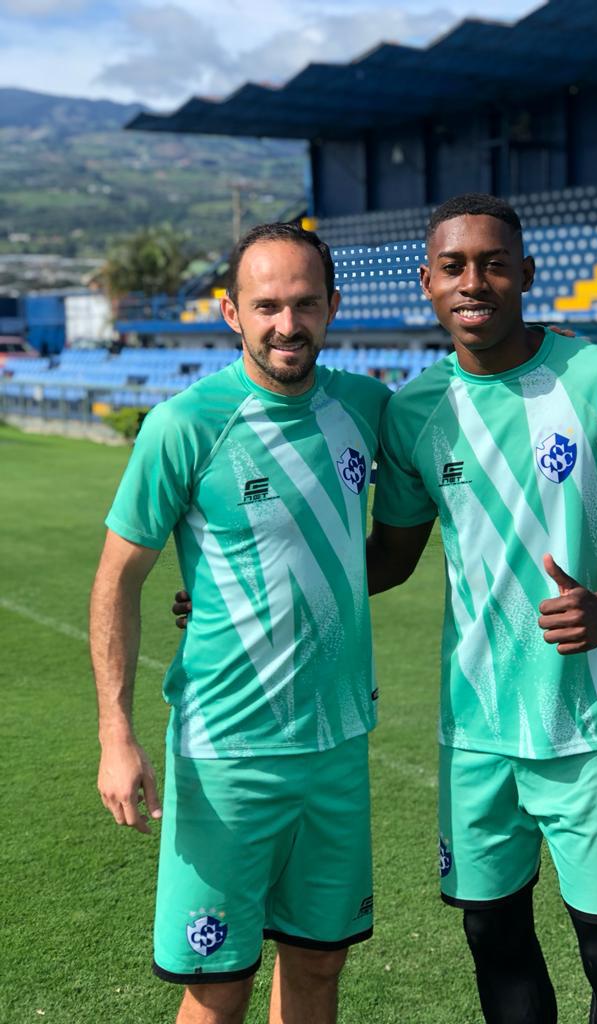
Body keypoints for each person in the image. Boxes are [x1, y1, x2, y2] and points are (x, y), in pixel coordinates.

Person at [365, 193, 597, 1024]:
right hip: (474, 725)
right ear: (427, 283)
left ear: (526, 274)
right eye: (454, 266)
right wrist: (265, 588)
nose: (473, 280)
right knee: (494, 935)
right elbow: (391, 558)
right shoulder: (413, 412)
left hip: (586, 717)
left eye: (493, 262)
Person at [89, 222, 392, 1024]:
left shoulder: (366, 408)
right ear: (231, 312)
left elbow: (465, 406)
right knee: (218, 987)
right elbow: (117, 581)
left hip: (336, 746)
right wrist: (115, 732)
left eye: (303, 305)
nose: (286, 325)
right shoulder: (185, 425)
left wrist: (534, 345)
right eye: (266, 307)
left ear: (333, 306)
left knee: (321, 968)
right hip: (227, 754)